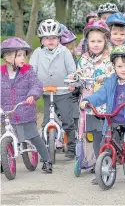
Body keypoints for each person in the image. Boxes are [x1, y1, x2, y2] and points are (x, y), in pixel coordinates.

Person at [80, 44, 125, 186]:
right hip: (113, 119)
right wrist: (88, 100)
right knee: (105, 143)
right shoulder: (111, 81)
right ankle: (103, 169)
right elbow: (101, 94)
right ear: (114, 67)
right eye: (119, 66)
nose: (123, 70)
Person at [1, 37, 53, 173]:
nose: (23, 58)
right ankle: (4, 160)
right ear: (7, 57)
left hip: (24, 112)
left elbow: (36, 84)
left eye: (24, 55)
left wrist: (32, 95)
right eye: (19, 55)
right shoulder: (1, 74)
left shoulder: (27, 72)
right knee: (4, 138)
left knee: (34, 137)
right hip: (7, 114)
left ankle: (47, 160)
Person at [29, 19, 77, 158]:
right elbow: (32, 71)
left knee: (68, 120)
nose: (50, 40)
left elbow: (71, 70)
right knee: (46, 121)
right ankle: (45, 148)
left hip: (63, 91)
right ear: (41, 40)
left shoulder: (64, 52)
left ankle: (72, 148)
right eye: (46, 38)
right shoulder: (37, 53)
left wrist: (71, 81)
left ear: (59, 39)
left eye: (54, 37)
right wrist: (33, 84)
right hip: (45, 91)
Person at [74, 20, 114, 184]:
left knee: (107, 133)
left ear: (105, 41)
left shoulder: (110, 59)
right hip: (89, 105)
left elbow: (115, 74)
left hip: (105, 104)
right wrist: (74, 79)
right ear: (87, 42)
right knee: (95, 135)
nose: (96, 44)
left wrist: (107, 77)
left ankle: (107, 161)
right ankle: (99, 161)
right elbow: (77, 75)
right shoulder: (82, 59)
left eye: (99, 41)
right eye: (92, 41)